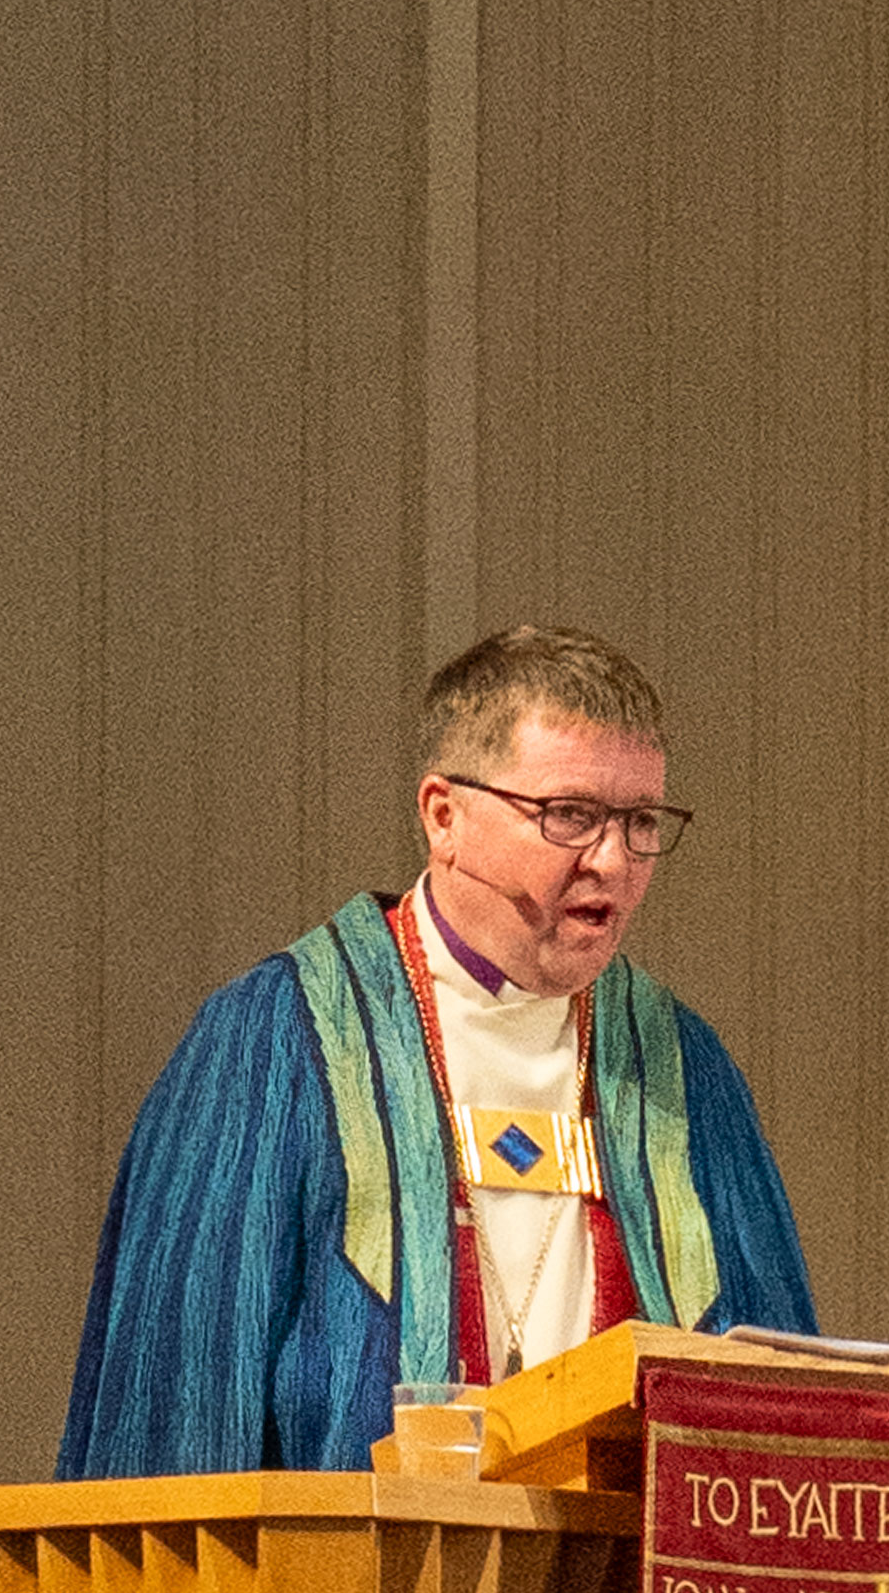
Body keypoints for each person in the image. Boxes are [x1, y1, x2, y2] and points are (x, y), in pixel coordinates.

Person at [51, 626, 822, 1484]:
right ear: (443, 816)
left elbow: (782, 1432)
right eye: (569, 815)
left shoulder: (681, 1072)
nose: (612, 860)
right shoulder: (277, 1046)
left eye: (641, 821)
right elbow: (178, 1425)